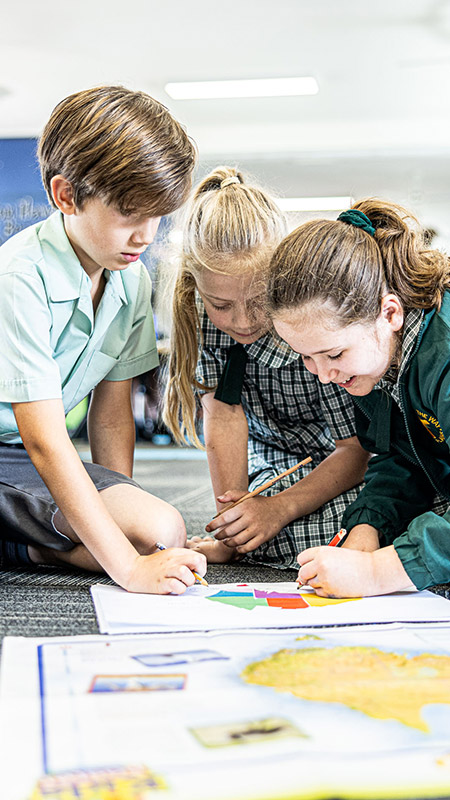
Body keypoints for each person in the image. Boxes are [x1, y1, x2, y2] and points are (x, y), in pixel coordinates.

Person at [0, 85, 207, 594]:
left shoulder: (130, 278)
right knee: (150, 536)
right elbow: (45, 441)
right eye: (130, 214)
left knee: (154, 534)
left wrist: (119, 503)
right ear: (66, 196)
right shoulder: (19, 277)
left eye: (158, 216)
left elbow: (112, 411)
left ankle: (23, 546)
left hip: (19, 458)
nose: (146, 236)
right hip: (24, 450)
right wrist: (129, 569)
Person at [162, 166, 368, 567]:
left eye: (258, 300)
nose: (242, 322)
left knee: (358, 520)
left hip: (342, 461)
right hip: (273, 461)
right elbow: (224, 419)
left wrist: (280, 508)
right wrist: (232, 528)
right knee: (252, 531)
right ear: (196, 288)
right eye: (221, 305)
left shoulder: (308, 314)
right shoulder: (199, 316)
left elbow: (354, 450)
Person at [267, 199, 450, 597]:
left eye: (333, 354)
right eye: (306, 356)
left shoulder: (444, 353)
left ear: (390, 313)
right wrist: (367, 529)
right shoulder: (371, 362)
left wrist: (377, 571)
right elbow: (401, 456)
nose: (323, 374)